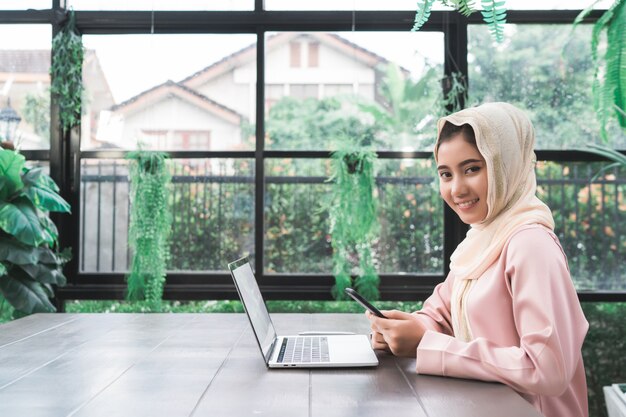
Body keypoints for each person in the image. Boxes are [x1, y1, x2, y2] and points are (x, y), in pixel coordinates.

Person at [367, 102, 589, 417]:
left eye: (472, 168)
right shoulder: (482, 240)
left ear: (506, 165)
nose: (456, 189)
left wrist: (426, 345)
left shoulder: (530, 245)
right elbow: (439, 315)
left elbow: (548, 369)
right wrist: (405, 328)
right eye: (446, 174)